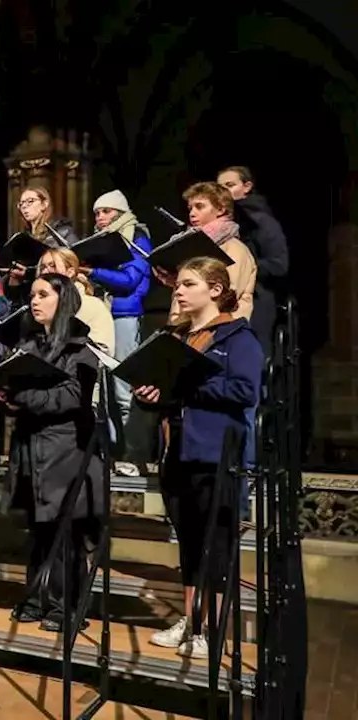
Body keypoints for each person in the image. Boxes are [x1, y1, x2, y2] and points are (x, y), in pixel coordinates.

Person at [136, 257, 262, 660]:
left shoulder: (238, 337)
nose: (178, 290)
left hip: (216, 457)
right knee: (190, 544)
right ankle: (192, 621)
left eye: (189, 284)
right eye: (179, 284)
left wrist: (187, 384)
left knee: (217, 546)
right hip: (179, 453)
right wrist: (156, 394)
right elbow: (175, 395)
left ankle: (213, 629)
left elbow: (245, 391)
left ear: (215, 289)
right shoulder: (177, 339)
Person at [0, 274, 104, 633]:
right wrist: (7, 396)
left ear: (64, 300)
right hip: (31, 445)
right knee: (39, 530)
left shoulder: (81, 349)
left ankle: (67, 606)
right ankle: (37, 596)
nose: (34, 301)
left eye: (43, 294)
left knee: (65, 533)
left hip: (66, 447)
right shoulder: (29, 346)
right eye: (31, 295)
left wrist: (23, 397)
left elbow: (71, 398)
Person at [85, 190, 153, 478]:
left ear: (121, 212)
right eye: (97, 213)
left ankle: (135, 454)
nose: (100, 217)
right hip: (101, 315)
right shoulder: (99, 243)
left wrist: (93, 271)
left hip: (125, 316)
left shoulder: (137, 236)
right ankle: (111, 452)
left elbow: (130, 280)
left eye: (107, 211)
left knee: (125, 389)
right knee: (104, 391)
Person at [159, 183, 257, 324]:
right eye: (190, 208)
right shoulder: (192, 246)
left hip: (218, 330)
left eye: (200, 206)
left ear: (220, 209)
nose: (192, 213)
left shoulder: (234, 248)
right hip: (186, 328)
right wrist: (173, 280)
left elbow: (227, 294)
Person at [218, 166, 289, 350]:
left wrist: (243, 267)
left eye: (230, 185)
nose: (223, 191)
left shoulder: (262, 222)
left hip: (257, 300)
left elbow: (279, 265)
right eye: (219, 187)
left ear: (247, 186)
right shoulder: (219, 224)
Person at [37, 248, 115, 356]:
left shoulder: (93, 306)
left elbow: (103, 352)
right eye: (43, 267)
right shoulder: (37, 306)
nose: (45, 272)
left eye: (53, 266)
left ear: (70, 272)